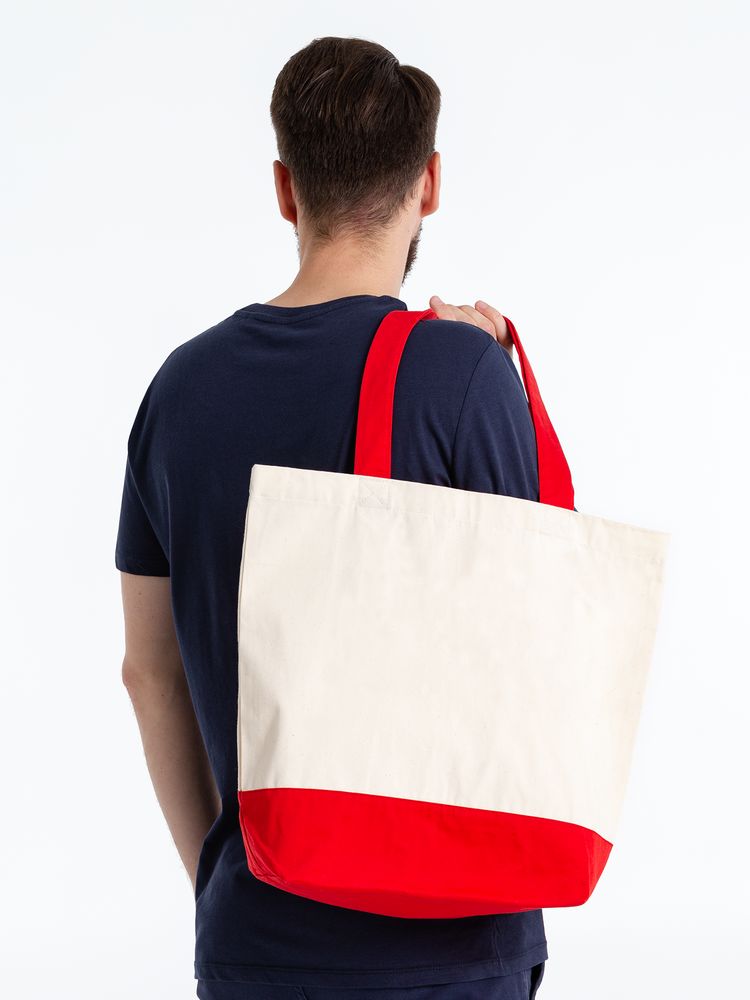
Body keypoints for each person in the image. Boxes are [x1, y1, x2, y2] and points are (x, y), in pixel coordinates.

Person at [116, 35, 547, 1000]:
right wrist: (485, 375)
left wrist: (222, 881)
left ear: (285, 189)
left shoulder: (179, 391)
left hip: (255, 939)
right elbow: (530, 652)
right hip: (452, 944)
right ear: (429, 184)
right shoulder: (460, 372)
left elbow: (149, 674)